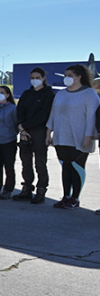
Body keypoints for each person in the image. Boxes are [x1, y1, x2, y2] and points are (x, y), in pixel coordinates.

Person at [46, 64, 99, 210]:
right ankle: (66, 196)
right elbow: (53, 113)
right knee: (66, 167)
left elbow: (91, 117)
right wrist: (48, 132)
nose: (66, 78)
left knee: (77, 167)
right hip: (62, 137)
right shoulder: (61, 94)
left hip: (80, 137)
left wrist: (88, 136)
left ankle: (75, 198)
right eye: (65, 75)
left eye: (69, 75)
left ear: (78, 77)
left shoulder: (89, 94)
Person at [14, 67, 55, 204]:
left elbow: (44, 115)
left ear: (43, 78)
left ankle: (41, 190)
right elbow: (19, 111)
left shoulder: (49, 94)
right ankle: (26, 189)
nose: (34, 80)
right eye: (32, 77)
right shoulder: (26, 93)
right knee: (26, 162)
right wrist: (21, 127)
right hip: (25, 132)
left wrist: (25, 126)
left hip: (39, 132)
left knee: (40, 163)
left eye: (37, 77)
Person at [0, 85, 18, 200]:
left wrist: (12, 133)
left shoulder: (12, 108)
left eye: (2, 92)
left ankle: (8, 189)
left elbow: (16, 122)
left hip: (9, 140)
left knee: (9, 167)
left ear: (7, 95)